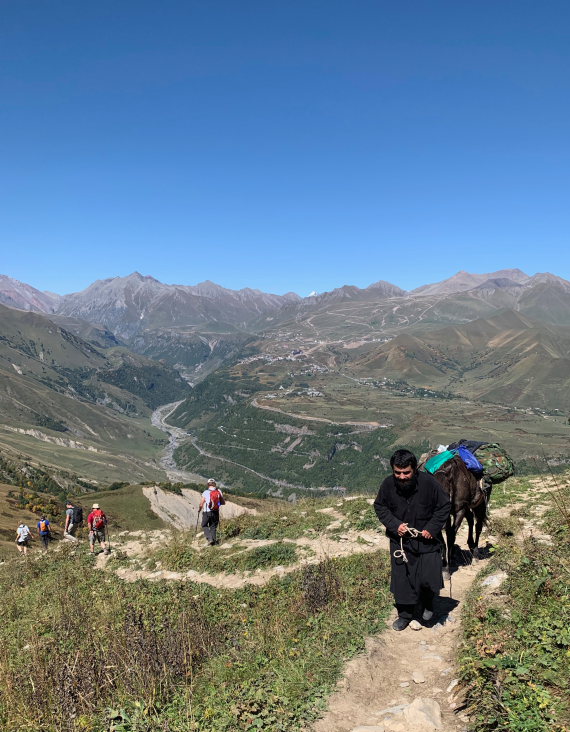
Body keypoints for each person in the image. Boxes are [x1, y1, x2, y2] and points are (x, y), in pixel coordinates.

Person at [374, 448, 451, 631]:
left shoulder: (429, 483)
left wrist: (432, 528)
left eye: (406, 472)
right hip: (401, 541)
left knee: (428, 577)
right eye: (397, 472)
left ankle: (428, 604)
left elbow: (444, 506)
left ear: (414, 469)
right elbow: (380, 507)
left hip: (427, 540)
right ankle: (405, 615)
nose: (401, 477)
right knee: (403, 580)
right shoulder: (387, 484)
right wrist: (395, 525)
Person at [198, 478, 225, 546]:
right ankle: (213, 543)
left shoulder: (206, 492)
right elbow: (222, 502)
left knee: (204, 525)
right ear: (215, 484)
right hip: (216, 511)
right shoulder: (219, 491)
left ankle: (210, 539)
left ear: (208, 484)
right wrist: (217, 505)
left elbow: (201, 503)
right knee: (213, 527)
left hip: (207, 512)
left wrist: (199, 509)